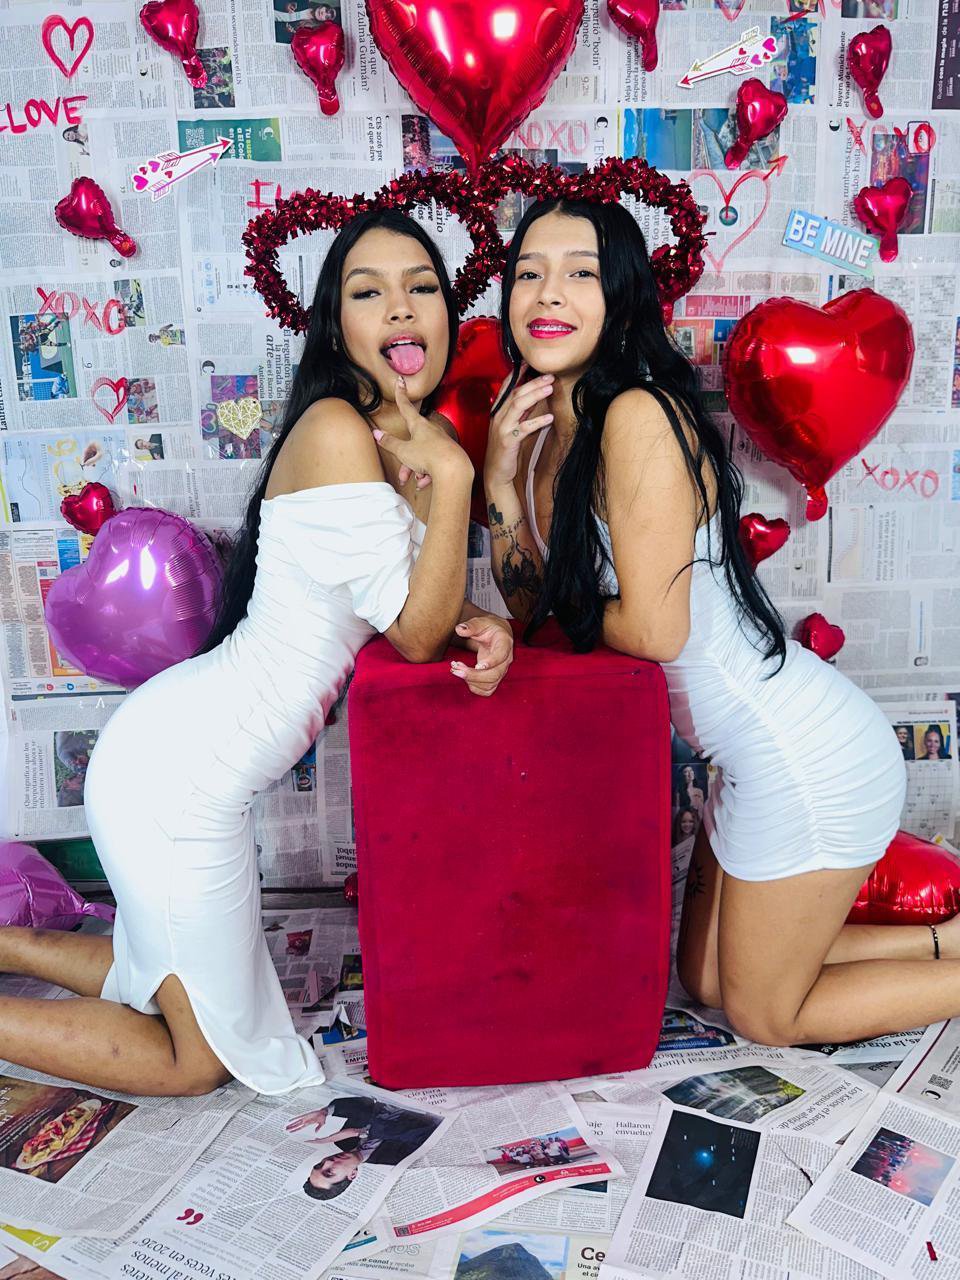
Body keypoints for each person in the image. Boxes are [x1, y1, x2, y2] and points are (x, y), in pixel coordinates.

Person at [0, 210, 513, 1099]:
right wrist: (461, 479)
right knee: (193, 1058)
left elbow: (405, 598)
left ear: (446, 312)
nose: (400, 308)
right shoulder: (339, 431)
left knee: (156, 973)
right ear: (336, 327)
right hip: (173, 781)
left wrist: (484, 621)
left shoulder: (401, 439)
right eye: (369, 292)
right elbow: (415, 634)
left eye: (421, 287)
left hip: (189, 770)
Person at [482, 197, 960, 1052]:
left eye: (581, 272)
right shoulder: (551, 427)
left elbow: (654, 633)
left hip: (804, 755)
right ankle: (943, 943)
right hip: (742, 758)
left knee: (766, 1017)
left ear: (622, 295)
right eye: (529, 273)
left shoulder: (638, 415)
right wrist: (498, 481)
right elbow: (531, 610)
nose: (548, 292)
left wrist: (559, 606)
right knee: (704, 983)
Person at [293, 1096, 442, 1199]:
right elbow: (426, 1131)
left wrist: (325, 1111)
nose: (328, 1161)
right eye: (329, 1172)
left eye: (319, 1165)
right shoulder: (395, 1159)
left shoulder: (342, 1142)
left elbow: (363, 1104)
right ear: (352, 1175)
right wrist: (363, 1132)